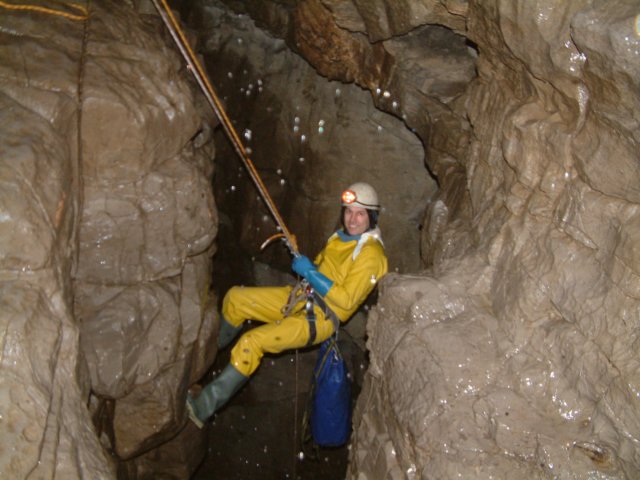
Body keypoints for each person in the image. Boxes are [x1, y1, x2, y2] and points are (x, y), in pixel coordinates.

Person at [186, 182, 388, 428]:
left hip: (320, 318)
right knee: (235, 299)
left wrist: (310, 272)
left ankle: (202, 408)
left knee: (251, 342)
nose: (352, 219)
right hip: (302, 296)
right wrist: (301, 259)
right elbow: (324, 269)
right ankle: (202, 362)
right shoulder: (339, 237)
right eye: (348, 211)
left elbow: (346, 301)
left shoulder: (372, 255)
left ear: (371, 217)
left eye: (360, 214)